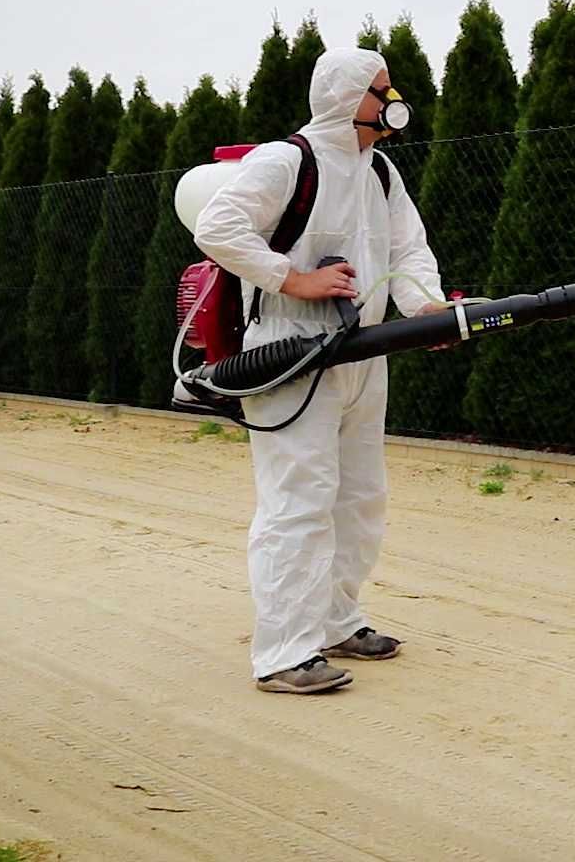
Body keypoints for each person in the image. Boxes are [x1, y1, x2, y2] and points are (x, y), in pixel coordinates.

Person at [194, 47, 447, 694]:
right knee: (297, 501)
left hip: (362, 350)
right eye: (380, 88)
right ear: (345, 98)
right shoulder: (287, 161)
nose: (392, 98)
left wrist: (427, 309)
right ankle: (283, 652)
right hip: (290, 351)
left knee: (360, 495)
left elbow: (408, 247)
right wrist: (295, 280)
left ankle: (337, 619)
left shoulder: (379, 171)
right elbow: (218, 225)